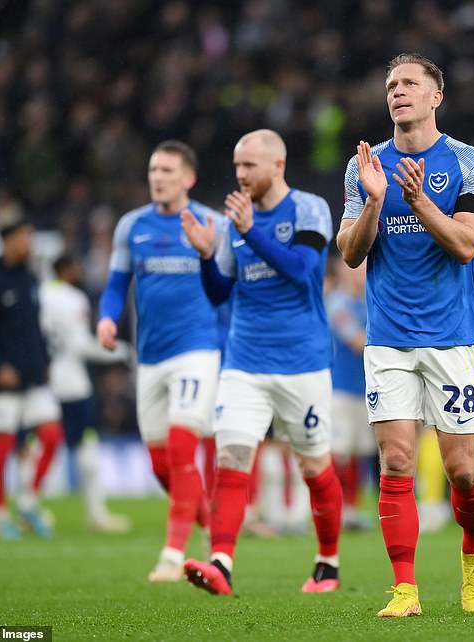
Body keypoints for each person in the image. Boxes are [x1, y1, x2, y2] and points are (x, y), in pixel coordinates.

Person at [336, 53, 474, 616]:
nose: (397, 92)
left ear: (436, 97)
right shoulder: (364, 167)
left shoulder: (470, 162)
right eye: (390, 85)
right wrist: (375, 202)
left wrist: (418, 199)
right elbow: (350, 254)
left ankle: (473, 556)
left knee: (461, 470)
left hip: (450, 336)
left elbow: (466, 245)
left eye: (409, 84)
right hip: (388, 337)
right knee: (396, 460)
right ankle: (405, 589)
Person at [181, 129, 343, 596]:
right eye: (236, 165)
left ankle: (327, 564)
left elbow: (301, 270)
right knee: (231, 460)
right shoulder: (234, 223)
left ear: (277, 164)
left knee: (315, 468)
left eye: (249, 165)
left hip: (303, 362)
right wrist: (206, 256)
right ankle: (221, 564)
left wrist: (251, 230)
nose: (240, 174)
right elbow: (218, 294)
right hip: (245, 361)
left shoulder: (308, 208)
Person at [97, 140, 221, 581]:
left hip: (198, 351)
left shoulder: (213, 223)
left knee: (184, 447)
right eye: (154, 169)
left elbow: (228, 290)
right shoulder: (132, 226)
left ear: (188, 178)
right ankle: (208, 523)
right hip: (149, 357)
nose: (158, 177)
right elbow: (115, 285)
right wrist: (107, 319)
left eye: (168, 170)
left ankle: (172, 555)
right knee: (161, 464)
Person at [0, 210, 64, 539]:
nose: (29, 243)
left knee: (52, 436)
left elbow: (34, 326)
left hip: (33, 375)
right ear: (8, 241)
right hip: (3, 380)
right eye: (24, 236)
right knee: (4, 445)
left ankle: (27, 500)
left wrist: (44, 360)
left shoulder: (29, 277)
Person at [40, 252, 132, 533]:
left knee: (37, 448)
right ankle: (96, 514)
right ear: (65, 269)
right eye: (76, 266)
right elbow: (80, 346)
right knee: (87, 448)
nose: (80, 271)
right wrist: (120, 351)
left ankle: (29, 508)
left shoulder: (37, 294)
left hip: (42, 386)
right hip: (72, 384)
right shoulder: (73, 299)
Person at [325, 257, 375, 530]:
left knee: (359, 452)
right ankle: (332, 507)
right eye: (355, 268)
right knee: (338, 452)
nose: (360, 273)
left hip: (364, 387)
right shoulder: (338, 304)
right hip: (340, 389)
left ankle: (352, 510)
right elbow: (356, 341)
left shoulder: (370, 299)